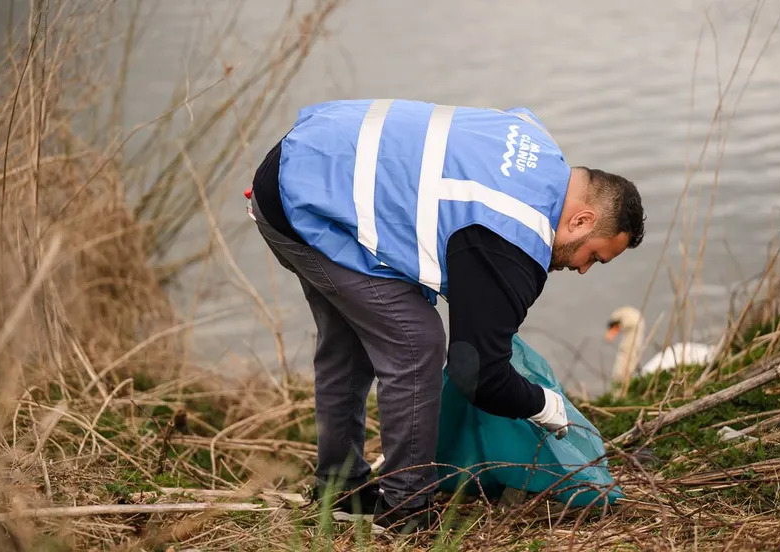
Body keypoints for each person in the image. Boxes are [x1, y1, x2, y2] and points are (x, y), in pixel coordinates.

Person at [247, 99, 645, 534]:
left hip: (307, 161)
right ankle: (407, 511)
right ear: (582, 220)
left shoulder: (538, 145)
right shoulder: (512, 235)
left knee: (351, 344)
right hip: (305, 201)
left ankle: (340, 492)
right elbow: (477, 375)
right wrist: (542, 404)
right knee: (415, 340)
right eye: (594, 257)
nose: (583, 269)